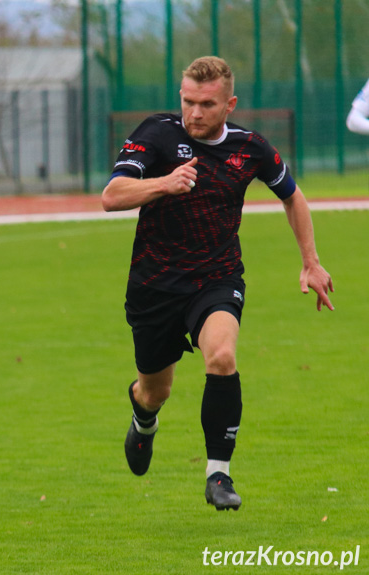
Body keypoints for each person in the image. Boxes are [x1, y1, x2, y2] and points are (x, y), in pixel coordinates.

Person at [102, 56, 333, 511]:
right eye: (187, 101)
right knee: (156, 391)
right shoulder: (158, 133)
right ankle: (143, 418)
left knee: (223, 357)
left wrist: (311, 261)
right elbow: (112, 195)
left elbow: (293, 197)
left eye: (206, 104)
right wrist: (164, 183)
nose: (194, 113)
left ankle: (218, 475)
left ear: (229, 104)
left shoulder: (251, 148)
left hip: (217, 276)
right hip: (154, 285)